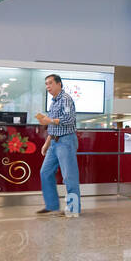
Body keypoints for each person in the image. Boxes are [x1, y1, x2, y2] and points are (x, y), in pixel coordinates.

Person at [35, 73, 80, 217]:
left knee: (69, 176)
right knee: (45, 172)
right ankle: (52, 206)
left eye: (50, 83)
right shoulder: (54, 101)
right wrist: (46, 144)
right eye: (46, 84)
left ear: (59, 84)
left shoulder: (65, 99)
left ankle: (73, 209)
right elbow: (54, 126)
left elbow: (69, 119)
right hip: (54, 142)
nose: (47, 87)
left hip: (66, 141)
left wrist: (50, 120)